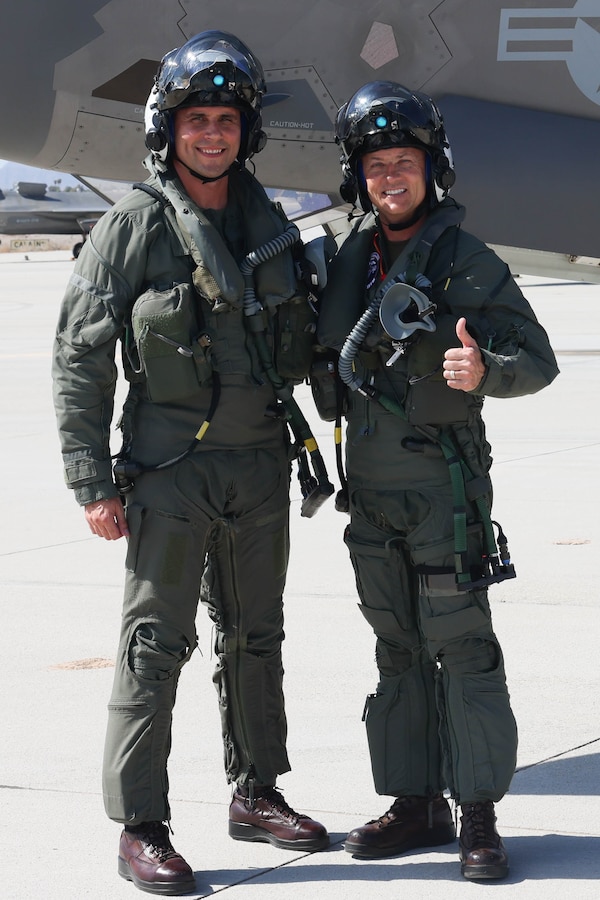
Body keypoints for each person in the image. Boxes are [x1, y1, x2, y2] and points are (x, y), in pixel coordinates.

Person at [52, 30, 329, 897]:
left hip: (259, 469)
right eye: (196, 119)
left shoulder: (269, 223)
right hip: (171, 473)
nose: (212, 133)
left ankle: (257, 792)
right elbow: (80, 357)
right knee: (153, 647)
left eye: (227, 119)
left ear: (248, 131)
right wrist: (93, 483)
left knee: (258, 638)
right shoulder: (132, 226)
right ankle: (141, 824)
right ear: (168, 129)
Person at [315, 81, 559, 881]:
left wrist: (486, 369)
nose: (392, 177)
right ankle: (415, 801)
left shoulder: (466, 258)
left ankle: (478, 813)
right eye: (377, 165)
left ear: (432, 169)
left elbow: (539, 360)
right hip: (372, 495)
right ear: (361, 176)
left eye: (405, 163)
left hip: (445, 496)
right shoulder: (351, 254)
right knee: (396, 649)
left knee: (462, 649)